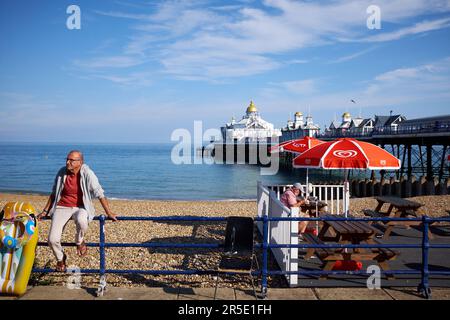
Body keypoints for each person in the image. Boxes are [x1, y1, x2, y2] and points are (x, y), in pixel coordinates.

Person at [37, 150, 118, 272]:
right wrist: (45, 211)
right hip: (61, 207)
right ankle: (61, 258)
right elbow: (54, 193)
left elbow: (99, 192)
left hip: (81, 206)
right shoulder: (61, 172)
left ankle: (79, 241)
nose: (67, 162)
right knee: (52, 239)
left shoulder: (87, 173)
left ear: (80, 162)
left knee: (82, 220)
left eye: (71, 160)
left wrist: (109, 212)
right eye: (67, 159)